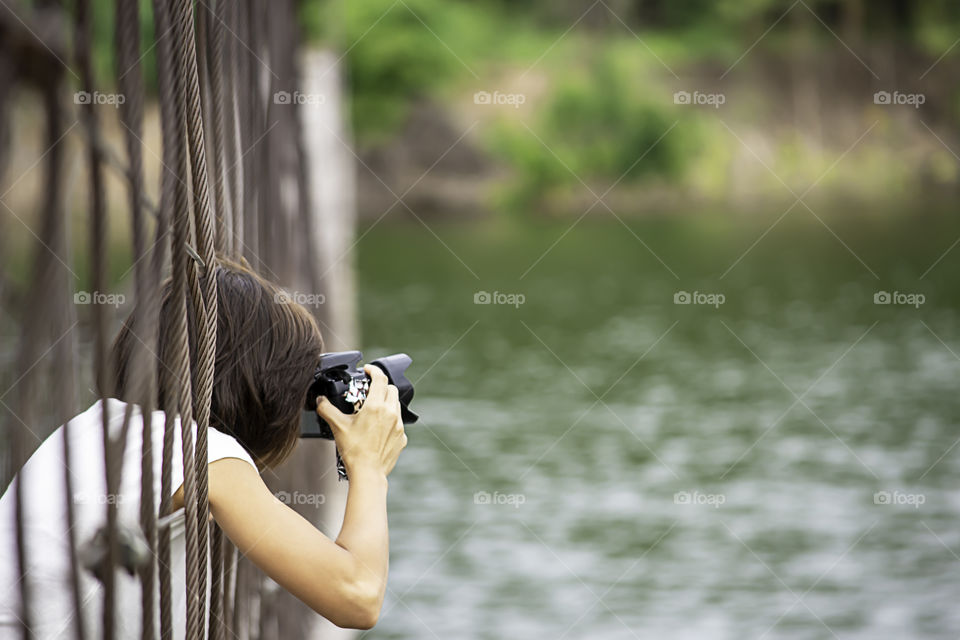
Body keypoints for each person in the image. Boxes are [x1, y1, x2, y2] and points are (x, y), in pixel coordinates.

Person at [0, 257, 407, 638]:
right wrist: (367, 466)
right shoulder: (198, 449)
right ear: (256, 392)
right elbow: (357, 596)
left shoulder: (94, 426)